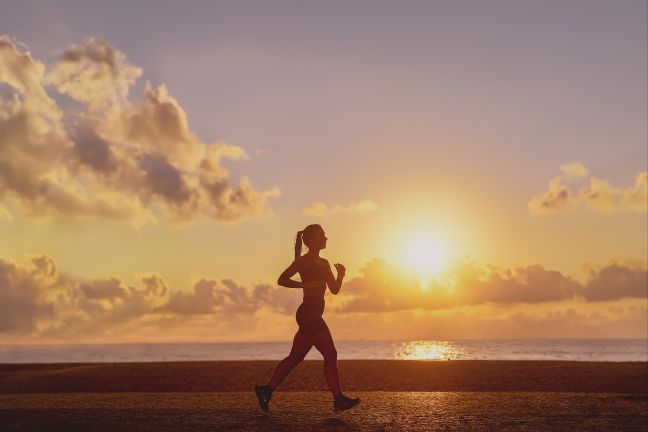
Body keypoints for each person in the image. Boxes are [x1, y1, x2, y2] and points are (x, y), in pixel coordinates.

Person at [255, 224, 360, 413]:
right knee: (331, 354)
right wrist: (306, 284)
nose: (326, 238)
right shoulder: (303, 262)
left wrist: (341, 275)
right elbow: (282, 279)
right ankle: (338, 399)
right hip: (308, 314)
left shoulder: (325, 263)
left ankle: (266, 390)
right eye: (322, 236)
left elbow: (334, 290)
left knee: (295, 357)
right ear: (311, 240)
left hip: (312, 315)